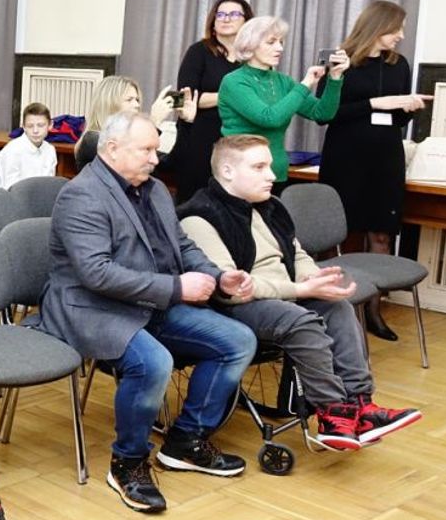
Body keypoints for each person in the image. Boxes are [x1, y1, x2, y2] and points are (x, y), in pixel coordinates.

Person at [33, 112, 257, 514]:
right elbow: (96, 273)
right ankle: (128, 462)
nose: (156, 158)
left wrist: (217, 276)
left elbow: (182, 245)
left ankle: (186, 441)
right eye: (147, 150)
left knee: (237, 341)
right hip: (92, 306)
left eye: (157, 149)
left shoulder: (153, 189)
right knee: (153, 362)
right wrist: (177, 288)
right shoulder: (81, 195)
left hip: (148, 301)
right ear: (112, 149)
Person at [179, 135, 422, 449]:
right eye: (259, 167)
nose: (271, 175)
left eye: (269, 166)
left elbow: (297, 253)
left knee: (339, 308)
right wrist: (300, 288)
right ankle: (333, 412)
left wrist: (315, 278)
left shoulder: (270, 206)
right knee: (300, 320)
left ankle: (361, 405)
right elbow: (233, 290)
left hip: (283, 295)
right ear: (227, 171)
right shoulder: (199, 217)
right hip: (236, 306)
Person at [319, 0, 431, 341]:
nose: (401, 36)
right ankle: (334, 309)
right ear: (377, 26)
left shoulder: (399, 64)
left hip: (385, 157)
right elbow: (326, 113)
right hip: (345, 156)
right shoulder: (340, 61)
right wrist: (374, 104)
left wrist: (409, 108)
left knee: (382, 233)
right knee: (336, 234)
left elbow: (397, 118)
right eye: (396, 29)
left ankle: (373, 312)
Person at [218, 16, 348, 190]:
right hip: (242, 173)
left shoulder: (283, 81)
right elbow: (269, 118)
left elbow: (323, 114)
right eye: (271, 42)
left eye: (281, 42)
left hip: (276, 173)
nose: (280, 48)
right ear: (250, 45)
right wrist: (305, 84)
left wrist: (335, 79)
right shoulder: (234, 81)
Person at [173, 0, 250, 201]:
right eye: (220, 14)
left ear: (246, 20)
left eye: (234, 14)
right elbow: (182, 98)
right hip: (199, 138)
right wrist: (230, 96)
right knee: (196, 200)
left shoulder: (252, 57)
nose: (226, 19)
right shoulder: (198, 51)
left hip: (238, 138)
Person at [73, 76, 187, 172]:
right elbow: (132, 164)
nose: (137, 105)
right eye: (129, 100)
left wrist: (185, 122)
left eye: (137, 100)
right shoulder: (92, 140)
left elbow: (171, 165)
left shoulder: (131, 141)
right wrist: (153, 123)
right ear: (109, 104)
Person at [0, 102, 57, 189]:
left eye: (40, 125)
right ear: (24, 127)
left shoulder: (50, 150)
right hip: (10, 196)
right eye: (30, 126)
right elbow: (11, 189)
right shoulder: (12, 150)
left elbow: (49, 185)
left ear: (50, 125)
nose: (35, 131)